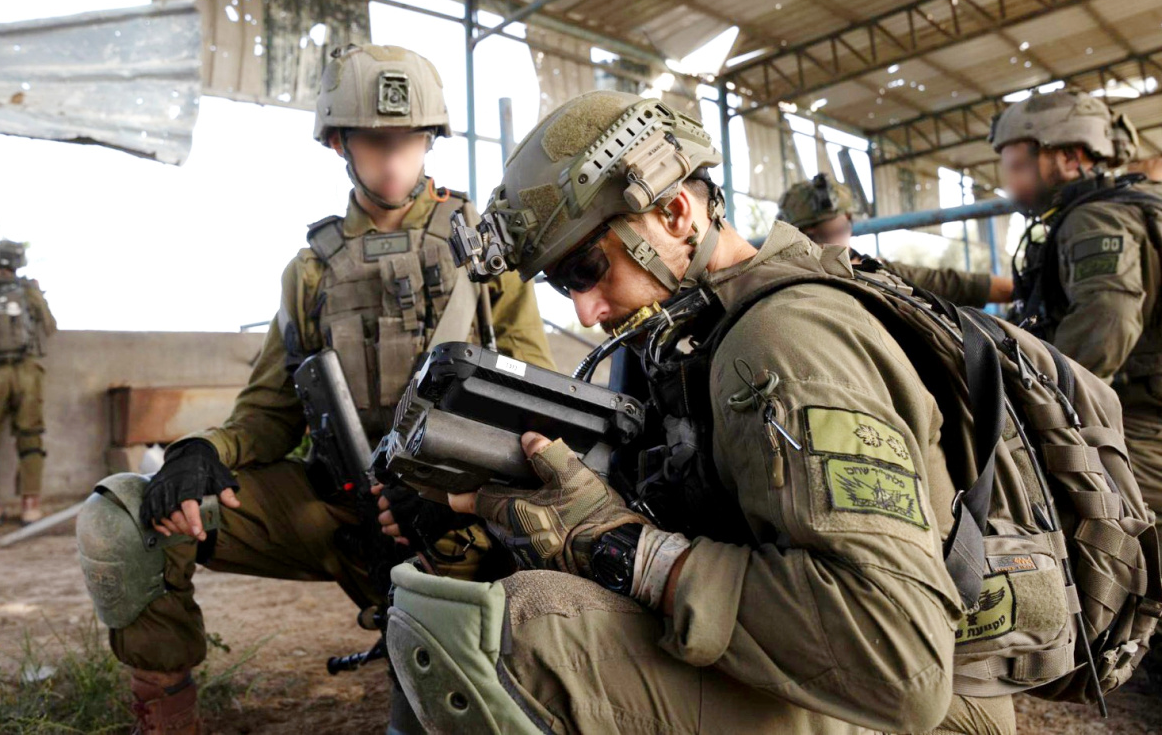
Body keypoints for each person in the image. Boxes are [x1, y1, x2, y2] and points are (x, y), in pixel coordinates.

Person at [383, 91, 1021, 734]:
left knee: (531, 633)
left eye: (586, 267)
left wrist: (618, 545)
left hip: (921, 706)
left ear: (673, 211)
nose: (585, 310)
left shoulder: (781, 343)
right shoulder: (690, 340)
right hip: (835, 675)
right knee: (460, 593)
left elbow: (900, 664)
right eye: (562, 282)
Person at [76, 44, 554, 735]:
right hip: (333, 508)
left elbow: (531, 402)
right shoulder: (310, 271)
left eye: (410, 140)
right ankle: (167, 715)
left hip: (451, 525)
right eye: (376, 141)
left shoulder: (482, 253)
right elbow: (269, 413)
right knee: (124, 516)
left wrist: (457, 496)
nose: (394, 159)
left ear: (430, 139)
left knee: (456, 707)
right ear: (339, 144)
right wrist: (201, 451)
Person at [991, 90, 1162, 675]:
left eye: (1017, 164)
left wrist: (1049, 408)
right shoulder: (1139, 205)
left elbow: (1107, 319)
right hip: (1141, 404)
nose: (1009, 182)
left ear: (1067, 157)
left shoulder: (1095, 218)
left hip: (1140, 419)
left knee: (1114, 533)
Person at [778, 173, 1014, 306]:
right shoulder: (783, 283)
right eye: (812, 236)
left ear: (848, 222)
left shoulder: (878, 272)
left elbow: (952, 284)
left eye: (834, 232)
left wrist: (1021, 289)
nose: (823, 246)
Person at [0, 239, 56, 526]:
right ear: (19, 262)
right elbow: (49, 326)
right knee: (30, 437)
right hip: (26, 371)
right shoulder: (28, 289)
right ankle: (30, 506)